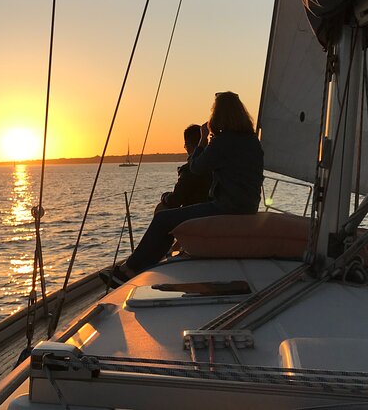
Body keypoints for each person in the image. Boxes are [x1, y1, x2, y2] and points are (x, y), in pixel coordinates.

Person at [102, 91, 264, 287]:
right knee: (171, 219)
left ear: (219, 115)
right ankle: (140, 265)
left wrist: (203, 140)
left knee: (164, 218)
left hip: (226, 207)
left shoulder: (223, 142)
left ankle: (130, 270)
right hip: (248, 207)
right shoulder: (251, 141)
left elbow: (196, 167)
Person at [155, 124, 212, 214]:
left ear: (188, 145)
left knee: (161, 209)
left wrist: (165, 197)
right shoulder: (215, 166)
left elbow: (176, 201)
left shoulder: (189, 170)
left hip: (195, 216)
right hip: (213, 213)